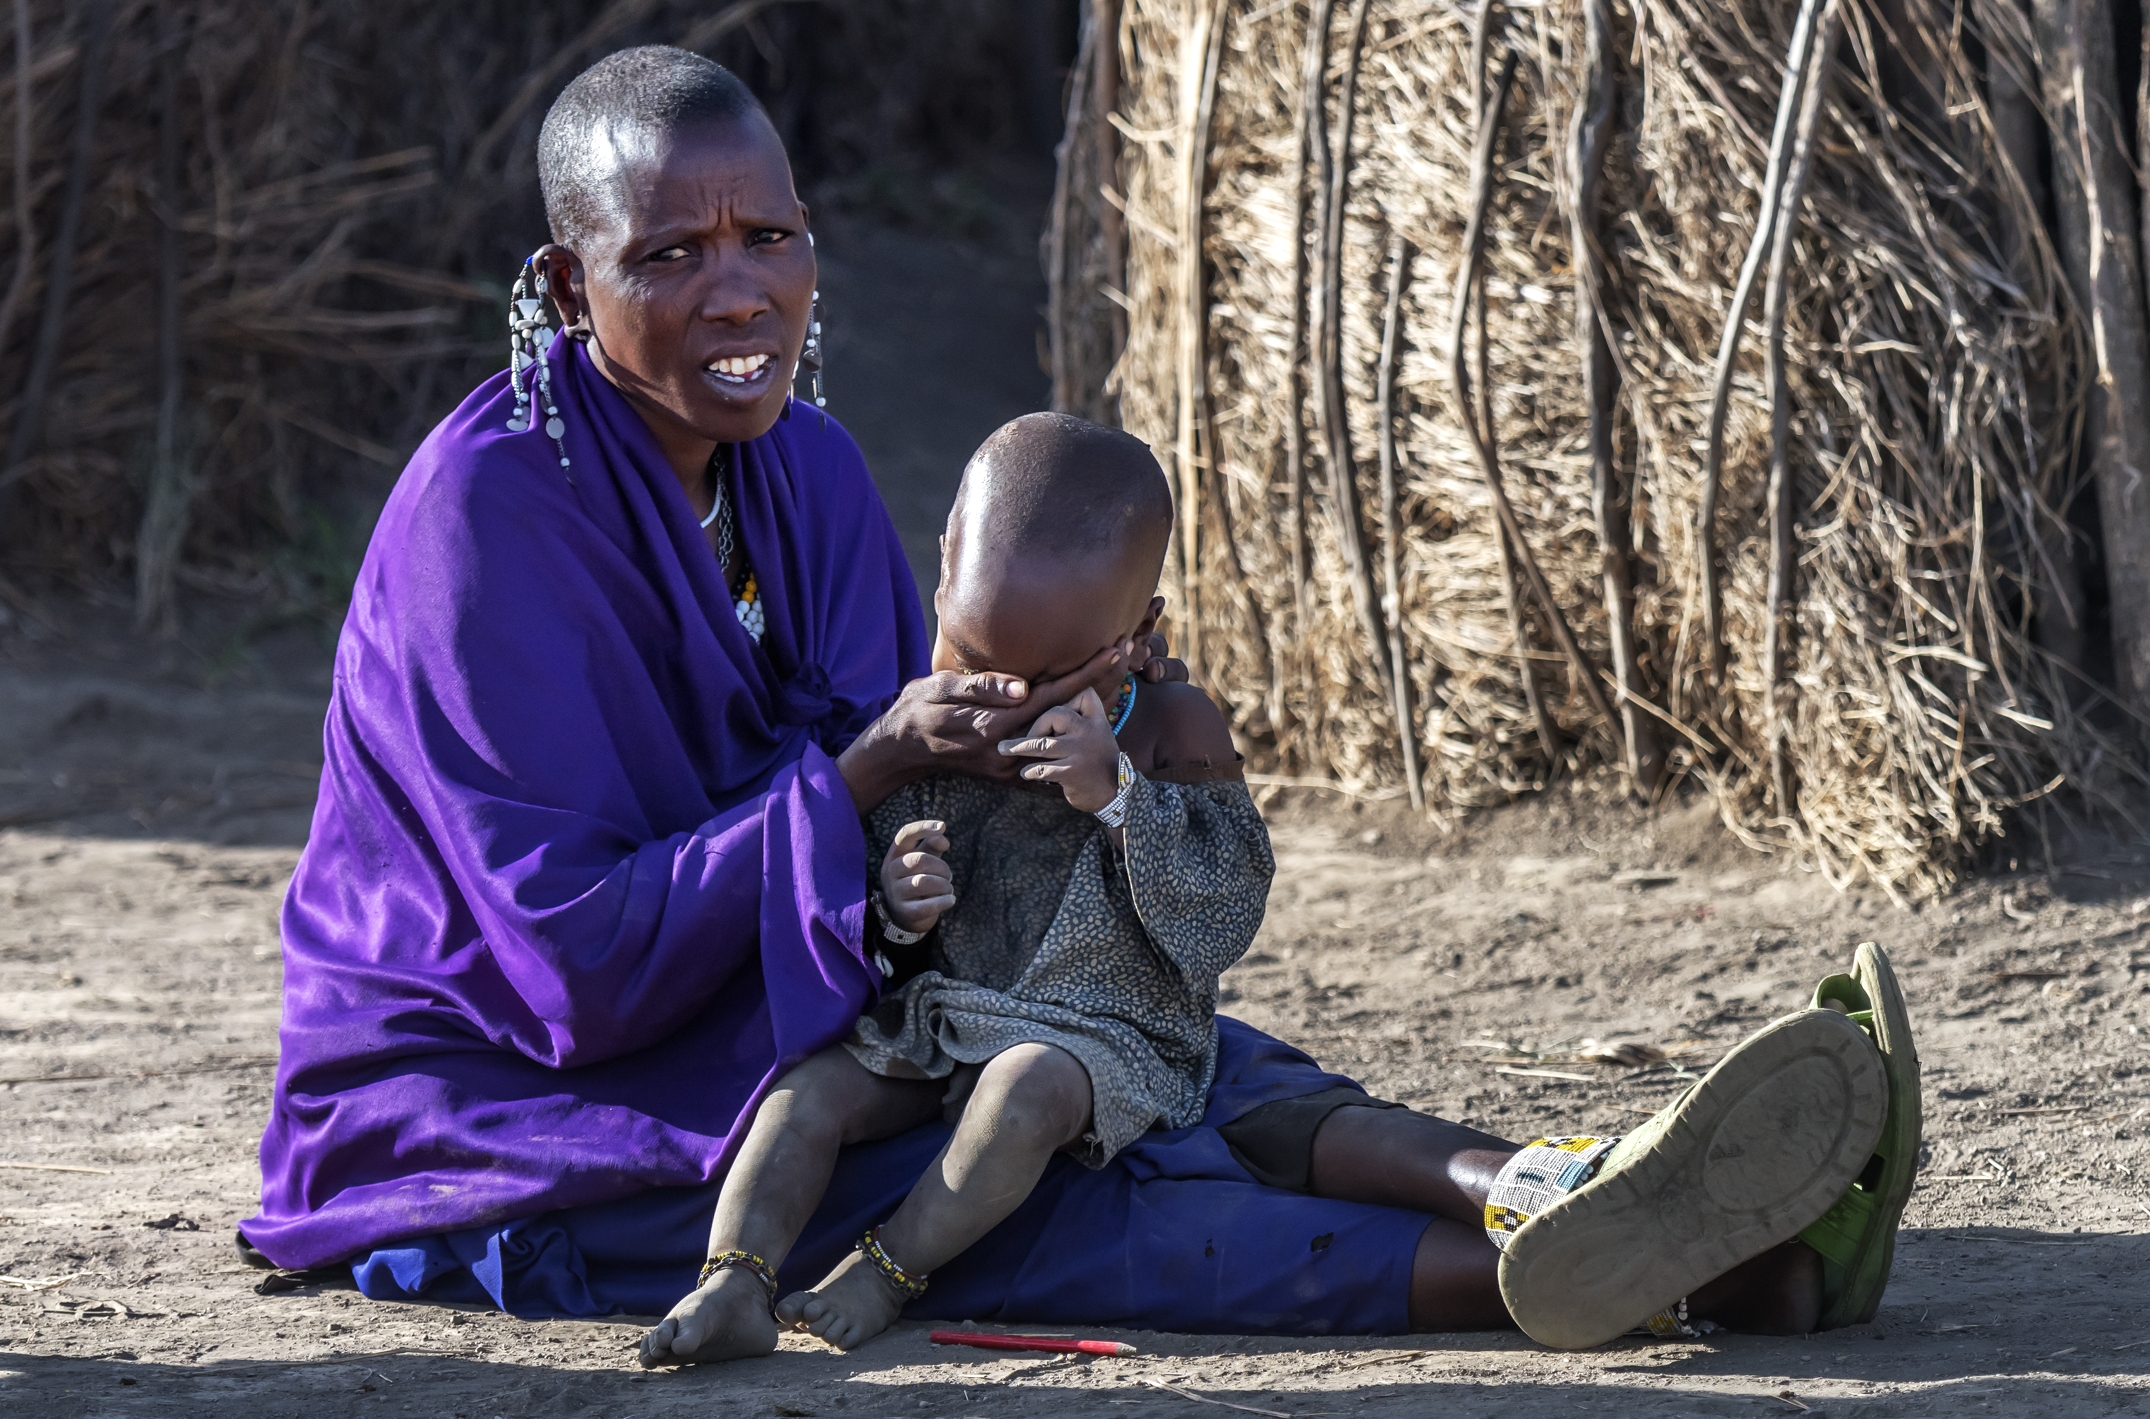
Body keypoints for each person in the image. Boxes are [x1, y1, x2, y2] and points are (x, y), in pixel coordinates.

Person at [242, 44, 1922, 1347]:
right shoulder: (489, 521)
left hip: (804, 985)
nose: (739, 287)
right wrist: (879, 764)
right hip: (525, 1093)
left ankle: (1580, 1193)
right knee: (1000, 1179)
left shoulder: (802, 469)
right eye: (669, 253)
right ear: (563, 287)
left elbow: (904, 804)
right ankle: (1602, 1284)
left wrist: (1083, 754)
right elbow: (566, 954)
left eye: (770, 235)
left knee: (1170, 1053)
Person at [640, 413, 1272, 1364]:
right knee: (808, 1091)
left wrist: (1119, 794)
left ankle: (887, 1269)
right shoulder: (938, 712)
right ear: (943, 576)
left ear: (1140, 634)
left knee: (1022, 1089)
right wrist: (898, 900)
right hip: (947, 1010)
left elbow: (1229, 905)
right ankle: (735, 1277)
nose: (1000, 700)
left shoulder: (1174, 725)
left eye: (1050, 678)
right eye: (972, 658)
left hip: (1103, 1033)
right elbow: (889, 873)